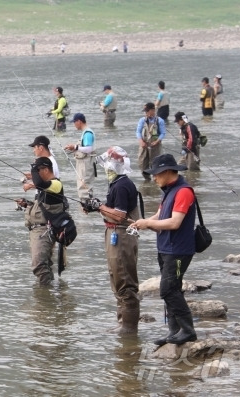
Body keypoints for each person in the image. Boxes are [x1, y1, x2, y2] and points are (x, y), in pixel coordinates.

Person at [129, 153, 198, 346]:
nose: (154, 177)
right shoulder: (168, 190)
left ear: (167, 172)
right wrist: (144, 223)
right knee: (172, 289)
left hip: (179, 250)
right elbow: (160, 215)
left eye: (157, 174)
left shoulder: (183, 191)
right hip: (166, 248)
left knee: (168, 290)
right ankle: (174, 331)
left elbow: (175, 222)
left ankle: (188, 330)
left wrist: (148, 223)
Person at [82, 146, 141, 335]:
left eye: (108, 165)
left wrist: (99, 207)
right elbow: (112, 209)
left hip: (122, 236)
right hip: (114, 235)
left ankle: (129, 328)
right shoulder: (116, 184)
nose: (106, 169)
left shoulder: (123, 185)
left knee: (124, 280)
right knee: (116, 279)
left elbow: (120, 215)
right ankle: (122, 322)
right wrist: (95, 206)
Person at [17, 157, 69, 285]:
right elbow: (42, 206)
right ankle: (50, 292)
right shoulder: (46, 188)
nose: (35, 176)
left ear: (45, 170)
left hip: (45, 231)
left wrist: (33, 169)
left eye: (38, 171)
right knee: (44, 264)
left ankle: (46, 295)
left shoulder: (56, 184)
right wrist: (26, 205)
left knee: (39, 265)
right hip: (38, 231)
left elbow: (40, 183)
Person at [65, 113, 96, 202]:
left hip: (86, 163)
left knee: (84, 186)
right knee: (83, 186)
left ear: (79, 121)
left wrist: (75, 147)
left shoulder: (88, 133)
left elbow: (89, 149)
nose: (74, 124)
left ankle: (87, 206)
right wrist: (73, 148)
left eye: (74, 122)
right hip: (84, 163)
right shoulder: (85, 132)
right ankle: (86, 206)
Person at [136, 102, 166, 181]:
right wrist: (141, 141)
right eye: (145, 111)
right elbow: (138, 132)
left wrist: (157, 141)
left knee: (155, 164)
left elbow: (163, 133)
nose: (146, 113)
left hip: (155, 145)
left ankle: (156, 180)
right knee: (142, 163)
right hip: (144, 144)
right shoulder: (142, 120)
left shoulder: (160, 121)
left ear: (153, 110)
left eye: (147, 111)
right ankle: (147, 179)